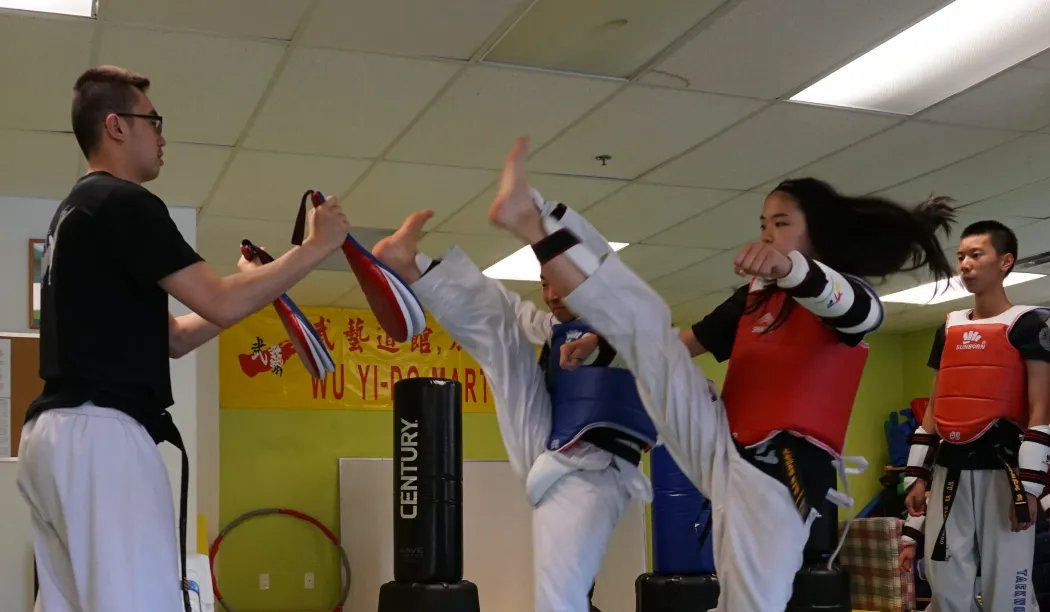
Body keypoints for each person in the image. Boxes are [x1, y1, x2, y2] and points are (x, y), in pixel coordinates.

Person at [485, 137, 956, 610]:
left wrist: (790, 267)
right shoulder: (756, 297)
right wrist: (606, 346)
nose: (768, 234)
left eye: (781, 224)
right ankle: (536, 219)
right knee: (647, 324)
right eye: (763, 225)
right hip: (722, 445)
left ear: (817, 232)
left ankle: (533, 220)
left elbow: (859, 312)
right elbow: (678, 345)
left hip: (781, 474)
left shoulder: (850, 296)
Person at [16, 65, 349, 612]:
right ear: (116, 126)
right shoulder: (123, 202)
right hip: (101, 439)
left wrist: (249, 286)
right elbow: (218, 299)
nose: (162, 136)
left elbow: (172, 336)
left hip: (54, 438)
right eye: (154, 121)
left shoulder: (77, 212)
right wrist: (315, 247)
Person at [369, 202, 655, 612]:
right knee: (500, 332)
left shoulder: (623, 321)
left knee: (561, 596)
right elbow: (512, 312)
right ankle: (411, 264)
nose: (551, 296)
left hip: (593, 471)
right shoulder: (557, 328)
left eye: (560, 283)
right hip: (550, 451)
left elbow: (628, 320)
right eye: (544, 284)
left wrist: (547, 210)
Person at [904, 220, 1050, 612]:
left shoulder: (1029, 323)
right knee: (945, 581)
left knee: (1008, 585)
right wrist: (917, 476)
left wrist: (1030, 488)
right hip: (949, 471)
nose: (965, 264)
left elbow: (1041, 407)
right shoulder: (947, 328)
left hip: (1004, 473)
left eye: (976, 254)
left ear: (1005, 261)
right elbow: (935, 406)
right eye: (961, 256)